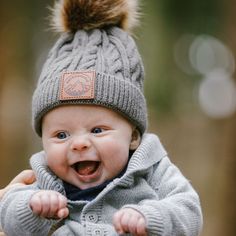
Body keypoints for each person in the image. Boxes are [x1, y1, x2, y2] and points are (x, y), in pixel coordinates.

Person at [0, 0, 203, 235]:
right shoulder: (44, 176)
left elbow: (188, 210)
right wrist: (33, 206)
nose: (79, 143)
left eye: (97, 130)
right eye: (61, 135)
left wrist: (149, 216)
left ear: (133, 136)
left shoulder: (153, 169)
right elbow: (8, 212)